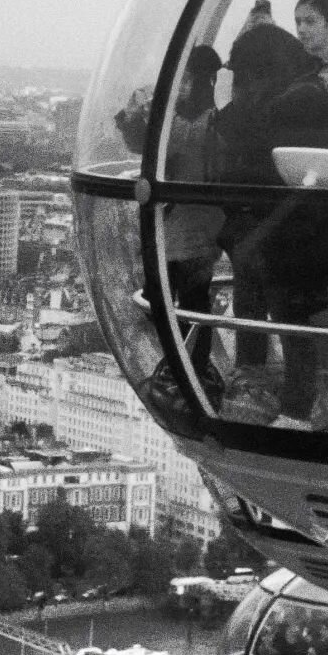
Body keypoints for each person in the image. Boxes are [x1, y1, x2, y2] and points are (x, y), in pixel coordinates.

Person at [215, 24, 328, 429]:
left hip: (283, 230)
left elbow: (265, 162)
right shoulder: (303, 93)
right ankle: (293, 405)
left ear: (259, 69)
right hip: (281, 230)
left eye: (243, 72)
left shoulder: (297, 101)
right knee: (289, 318)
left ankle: (296, 411)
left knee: (291, 320)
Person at [114, 46, 226, 394]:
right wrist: (134, 116)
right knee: (165, 296)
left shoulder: (211, 120)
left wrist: (155, 113)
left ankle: (192, 366)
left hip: (195, 222)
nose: (181, 86)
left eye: (187, 79)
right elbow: (140, 145)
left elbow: (187, 142)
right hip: (175, 220)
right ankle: (184, 362)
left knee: (189, 298)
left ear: (205, 80)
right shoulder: (184, 114)